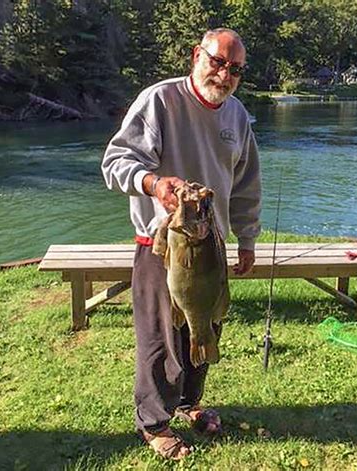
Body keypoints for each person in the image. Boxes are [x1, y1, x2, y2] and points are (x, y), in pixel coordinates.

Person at [101, 28, 261, 460]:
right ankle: (153, 423)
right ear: (197, 56)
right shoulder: (160, 101)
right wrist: (154, 184)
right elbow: (116, 163)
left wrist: (246, 237)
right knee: (160, 337)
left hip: (214, 245)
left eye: (235, 70)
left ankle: (190, 403)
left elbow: (246, 184)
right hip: (163, 245)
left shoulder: (238, 117)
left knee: (204, 326)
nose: (224, 75)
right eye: (218, 62)